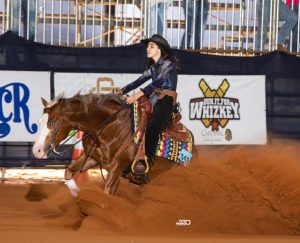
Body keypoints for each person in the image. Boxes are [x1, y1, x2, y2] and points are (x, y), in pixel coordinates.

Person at [120, 34, 178, 180]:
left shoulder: (168, 64)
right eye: (148, 46)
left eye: (151, 46)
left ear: (160, 49)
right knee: (132, 119)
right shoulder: (153, 68)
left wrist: (136, 95)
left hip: (166, 100)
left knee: (153, 126)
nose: (148, 49)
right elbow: (137, 81)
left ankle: (146, 162)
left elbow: (158, 82)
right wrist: (120, 92)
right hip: (153, 98)